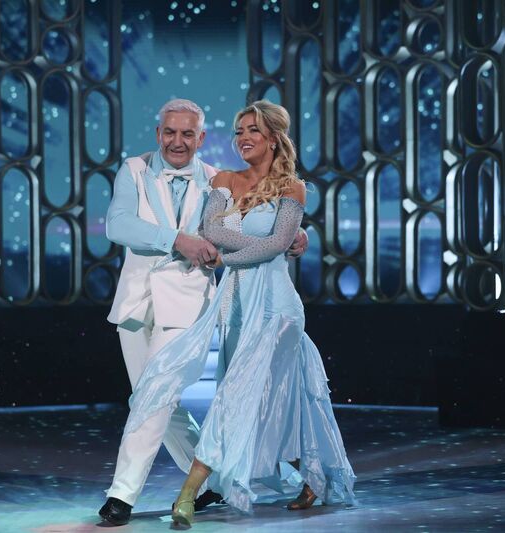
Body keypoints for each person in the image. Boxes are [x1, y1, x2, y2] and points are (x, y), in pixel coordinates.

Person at [124, 100, 355, 527]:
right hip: (235, 308)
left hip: (278, 310)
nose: (243, 138)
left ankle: (188, 494)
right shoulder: (226, 180)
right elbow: (211, 230)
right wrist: (238, 248)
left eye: (253, 130)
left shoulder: (292, 188)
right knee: (272, 397)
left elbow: (276, 243)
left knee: (234, 396)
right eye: (238, 131)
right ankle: (312, 475)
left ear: (273, 138)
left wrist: (224, 259)